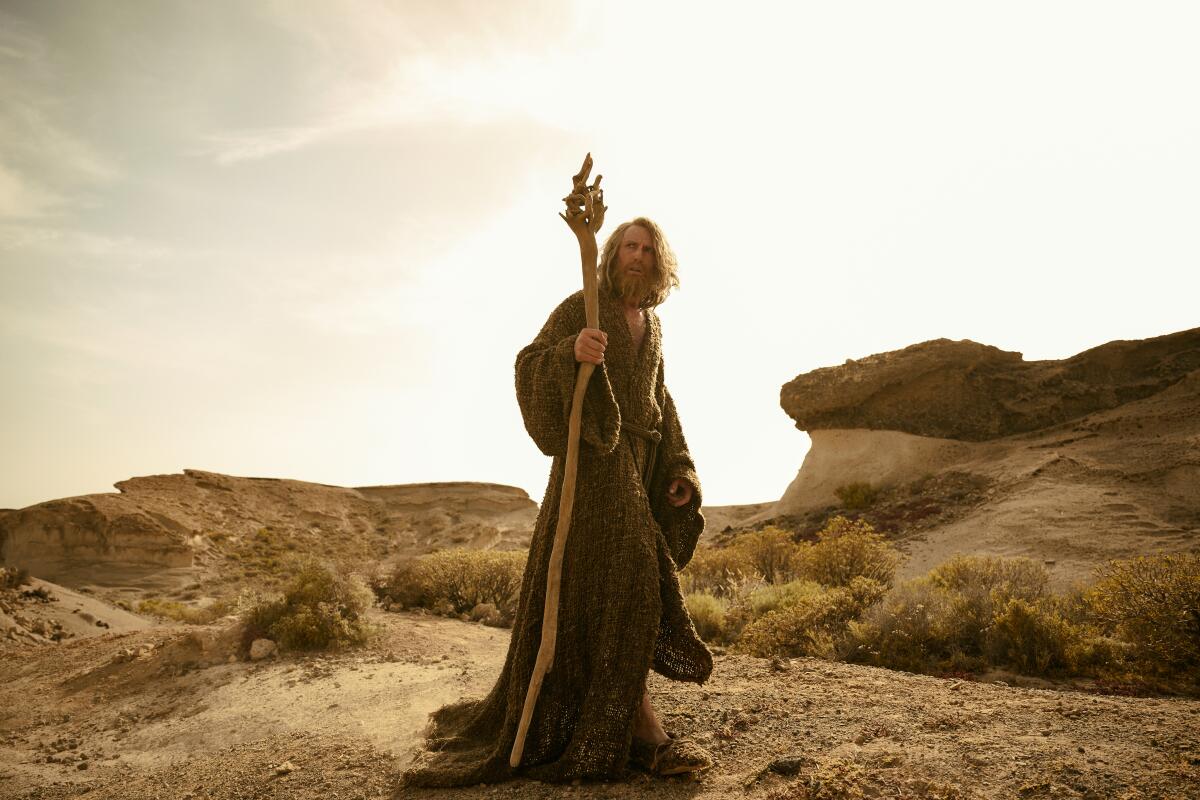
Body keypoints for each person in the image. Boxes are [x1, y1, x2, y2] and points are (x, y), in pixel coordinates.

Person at [402, 217, 713, 787]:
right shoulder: (581, 306)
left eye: (646, 249)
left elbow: (659, 402)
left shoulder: (654, 325)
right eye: (626, 248)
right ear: (612, 255)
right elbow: (529, 364)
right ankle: (643, 727)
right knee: (641, 578)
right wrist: (571, 352)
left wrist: (678, 470)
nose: (636, 258)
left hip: (639, 471)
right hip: (592, 470)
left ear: (658, 260)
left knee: (604, 598)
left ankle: (618, 718)